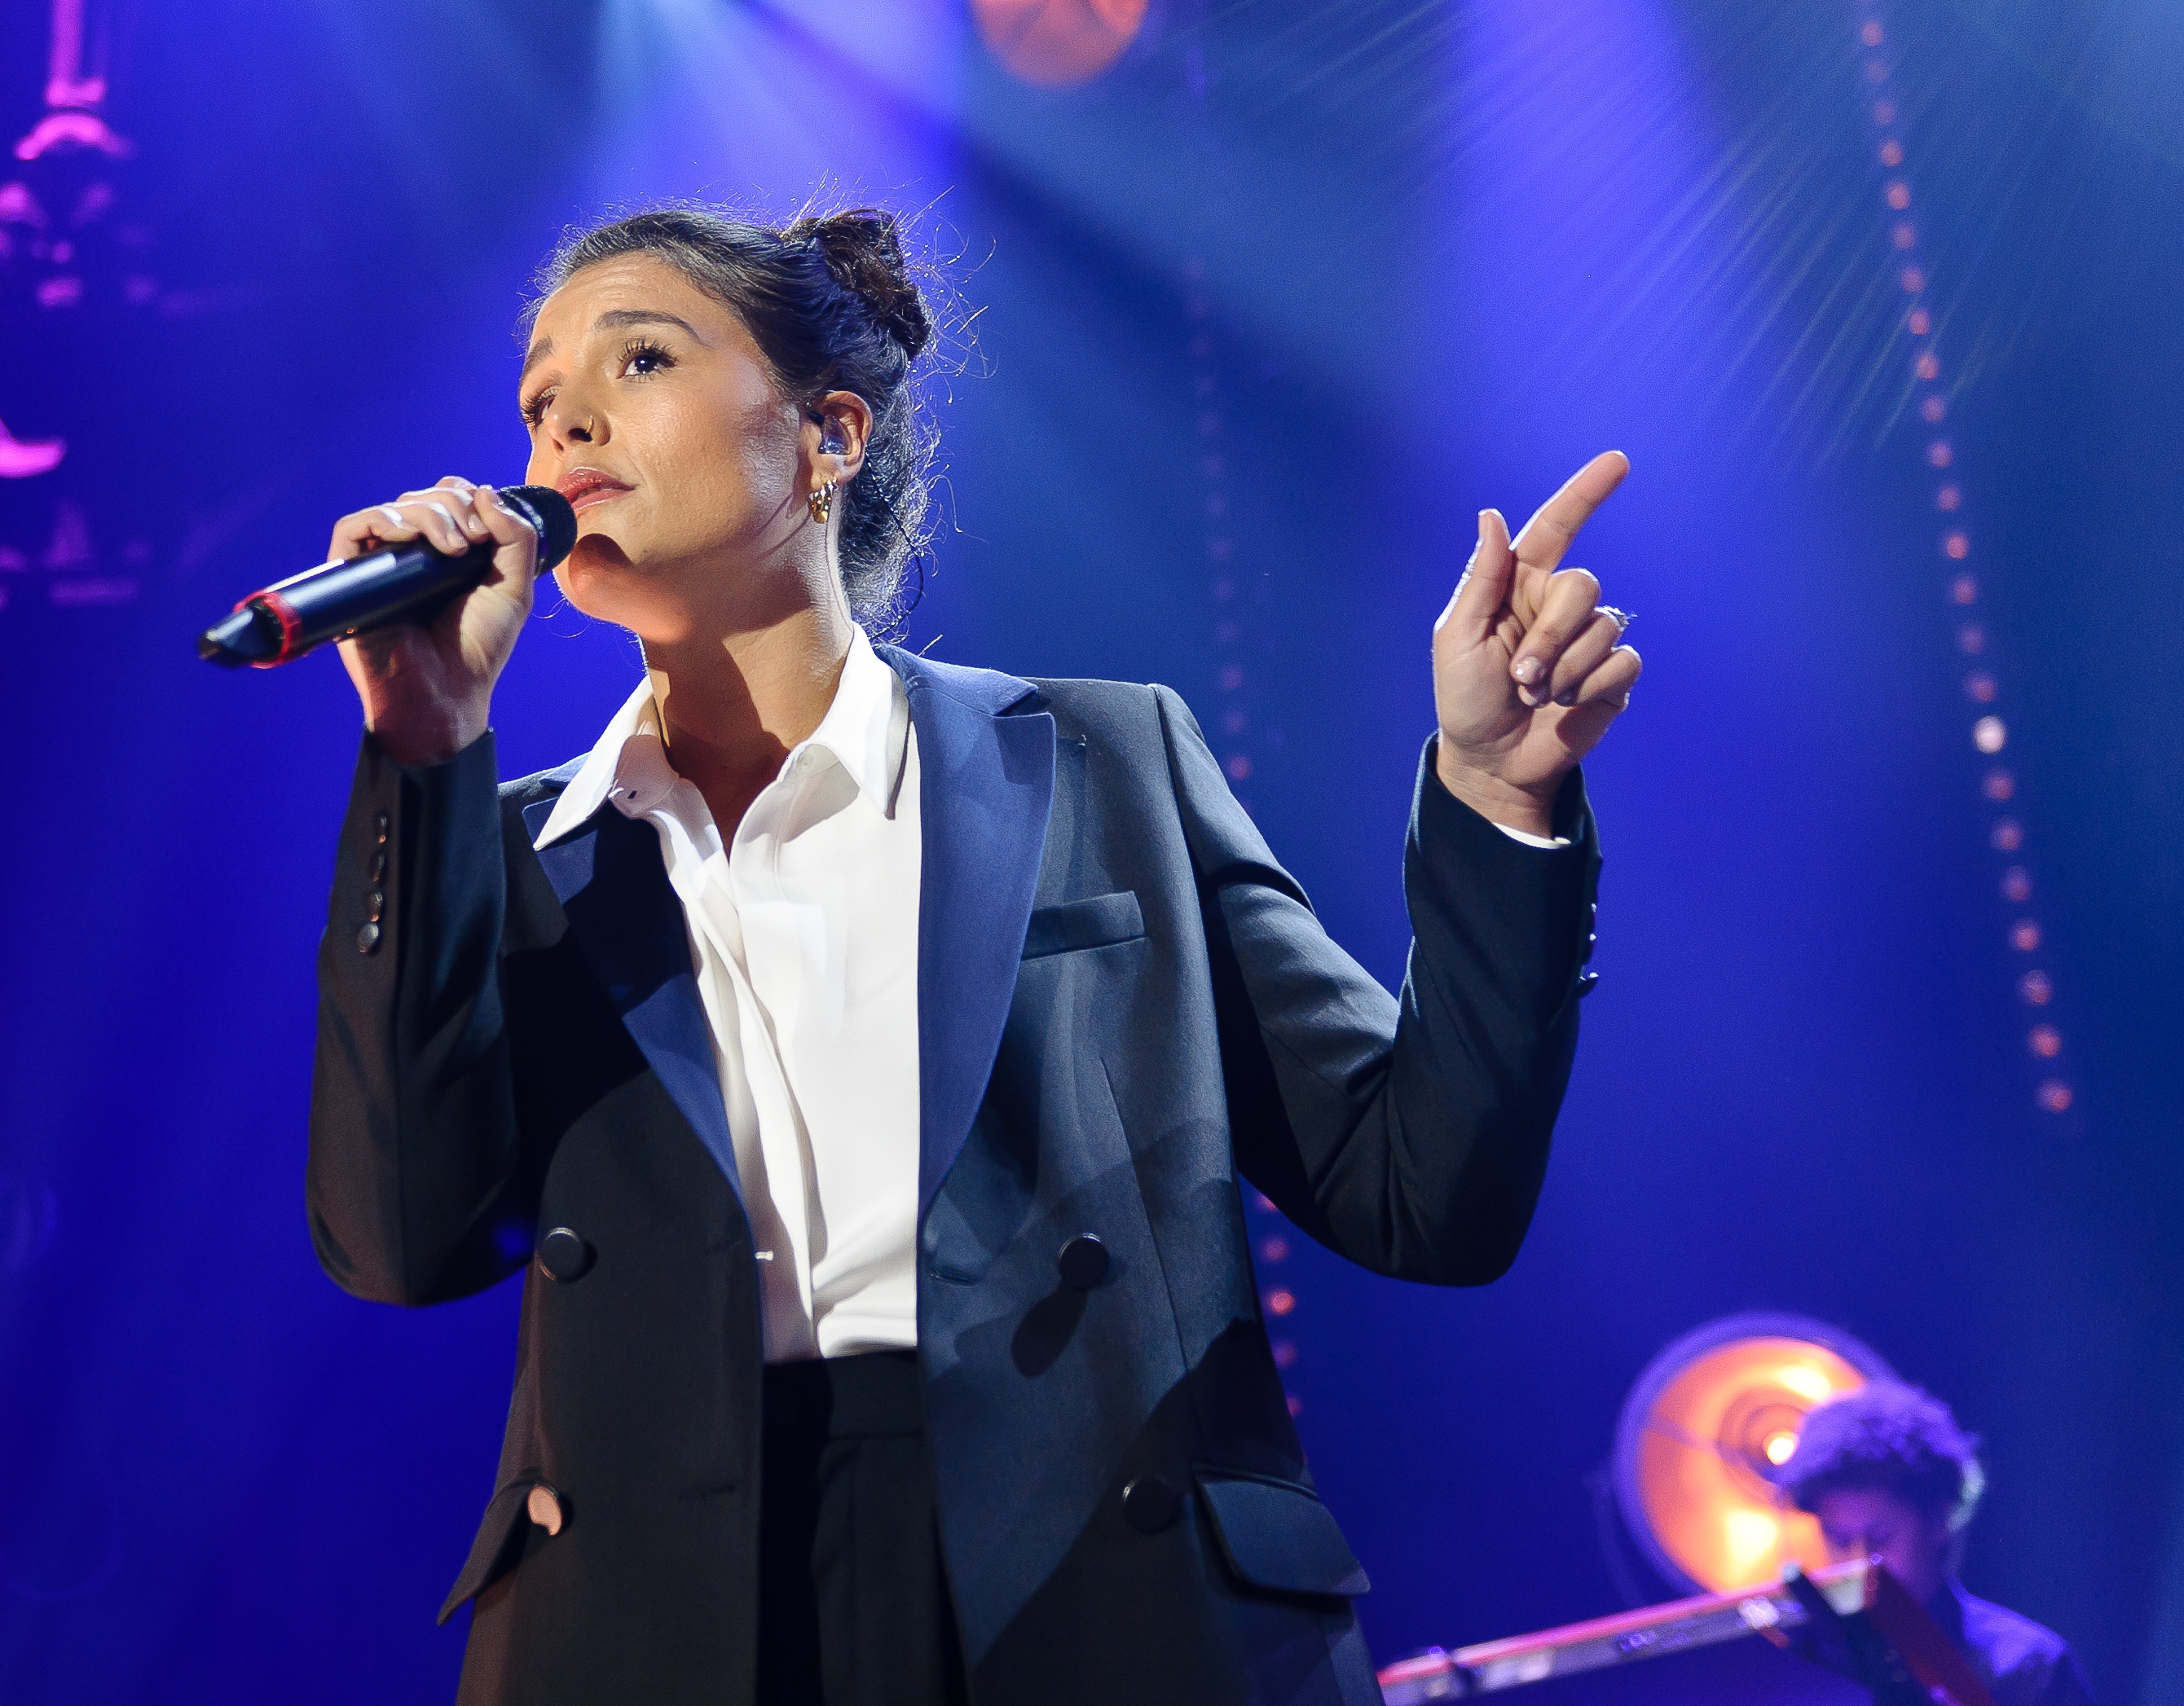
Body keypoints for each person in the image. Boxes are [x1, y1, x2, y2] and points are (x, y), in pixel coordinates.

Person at [302, 203, 1639, 1706]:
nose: (564, 426)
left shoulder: (1099, 760)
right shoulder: (511, 848)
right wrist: (422, 749)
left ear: (827, 436)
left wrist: (1496, 799)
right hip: (658, 1615)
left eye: (641, 358)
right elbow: (400, 1237)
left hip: (1092, 1577)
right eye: (542, 400)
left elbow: (1423, 1191)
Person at [1777, 1382, 2094, 1706]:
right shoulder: (1801, 1665)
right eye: (1840, 1540)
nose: (1858, 1564)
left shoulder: (2029, 1666)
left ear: (1938, 1520)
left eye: (1880, 1537)